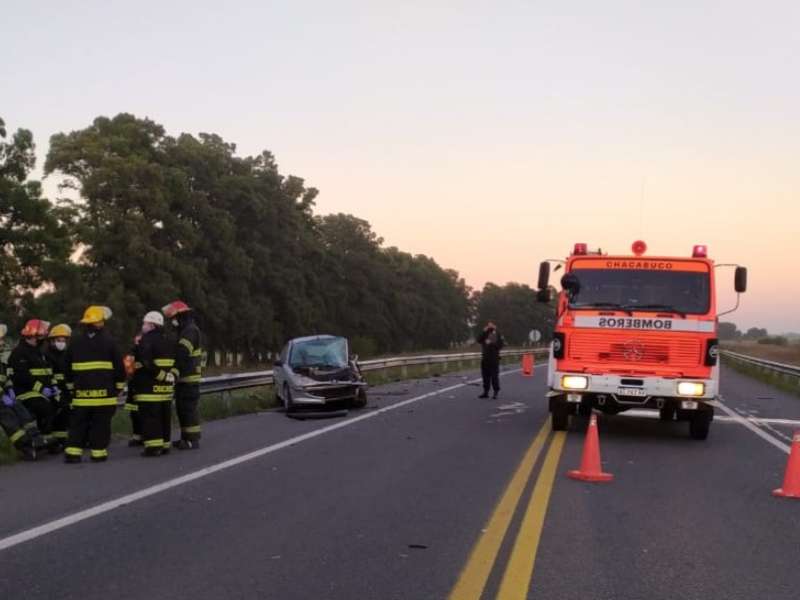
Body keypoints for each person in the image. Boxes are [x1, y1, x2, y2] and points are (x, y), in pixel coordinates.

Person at [64, 306, 126, 463]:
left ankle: (73, 453)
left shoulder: (75, 342)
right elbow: (119, 367)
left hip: (81, 396)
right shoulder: (110, 342)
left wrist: (72, 389)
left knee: (78, 424)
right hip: (104, 396)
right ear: (100, 323)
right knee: (101, 424)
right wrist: (118, 387)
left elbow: (66, 368)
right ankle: (98, 454)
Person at [130, 311, 176, 457]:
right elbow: (176, 361)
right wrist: (169, 376)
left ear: (152, 325)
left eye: (144, 323)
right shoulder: (169, 340)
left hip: (148, 387)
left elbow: (146, 362)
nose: (143, 326)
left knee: (150, 418)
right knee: (164, 417)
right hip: (165, 389)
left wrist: (161, 376)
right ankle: (165, 445)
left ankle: (153, 447)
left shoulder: (147, 340)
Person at [9, 319, 59, 451]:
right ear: (33, 336)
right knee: (44, 408)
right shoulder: (19, 353)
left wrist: (54, 387)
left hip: (42, 391)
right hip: (25, 392)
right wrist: (41, 389)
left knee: (59, 405)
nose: (42, 340)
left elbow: (48, 372)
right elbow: (22, 377)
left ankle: (52, 440)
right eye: (40, 337)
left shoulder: (39, 352)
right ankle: (44, 442)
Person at [0, 324, 46, 460]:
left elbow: (5, 379)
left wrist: (9, 391)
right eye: (1, 339)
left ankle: (36, 439)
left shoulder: (2, 359)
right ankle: (26, 447)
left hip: (4, 394)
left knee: (20, 409)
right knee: (9, 419)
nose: (3, 342)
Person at [163, 300, 203, 450]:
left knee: (188, 410)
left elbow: (182, 354)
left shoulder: (190, 331)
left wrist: (174, 371)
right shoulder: (185, 329)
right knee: (183, 409)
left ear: (180, 316)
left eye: (174, 318)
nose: (173, 322)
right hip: (184, 379)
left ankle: (192, 440)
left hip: (189, 378)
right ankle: (185, 438)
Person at [45, 323, 73, 449]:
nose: (61, 343)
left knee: (70, 411)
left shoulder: (67, 354)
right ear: (51, 341)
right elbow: (48, 375)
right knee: (60, 410)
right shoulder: (47, 355)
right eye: (58, 340)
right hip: (52, 390)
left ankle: (65, 439)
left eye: (63, 340)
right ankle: (57, 441)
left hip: (66, 389)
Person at [124, 334, 143, 447]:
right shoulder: (131, 355)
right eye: (136, 342)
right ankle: (137, 436)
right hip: (133, 387)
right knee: (134, 413)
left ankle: (145, 435)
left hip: (143, 388)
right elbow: (127, 369)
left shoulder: (149, 353)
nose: (137, 344)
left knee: (145, 414)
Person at [477, 321, 505, 399]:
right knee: (485, 376)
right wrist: (484, 331)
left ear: (494, 325)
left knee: (494, 376)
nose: (490, 326)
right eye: (488, 324)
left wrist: (492, 342)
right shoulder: (485, 333)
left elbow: (500, 345)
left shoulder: (498, 333)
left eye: (491, 324)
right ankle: (486, 392)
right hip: (485, 358)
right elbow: (478, 340)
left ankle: (495, 392)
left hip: (494, 358)